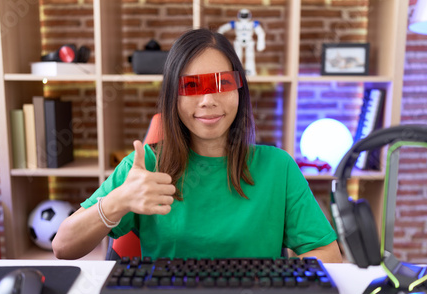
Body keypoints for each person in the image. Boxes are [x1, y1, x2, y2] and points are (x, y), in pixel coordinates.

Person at [52, 28, 342, 263]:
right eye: (191, 87)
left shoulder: (278, 167)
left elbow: (327, 254)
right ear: (172, 96)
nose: (208, 100)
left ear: (240, 88)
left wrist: (278, 284)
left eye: (222, 83)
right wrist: (119, 201)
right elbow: (63, 246)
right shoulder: (146, 165)